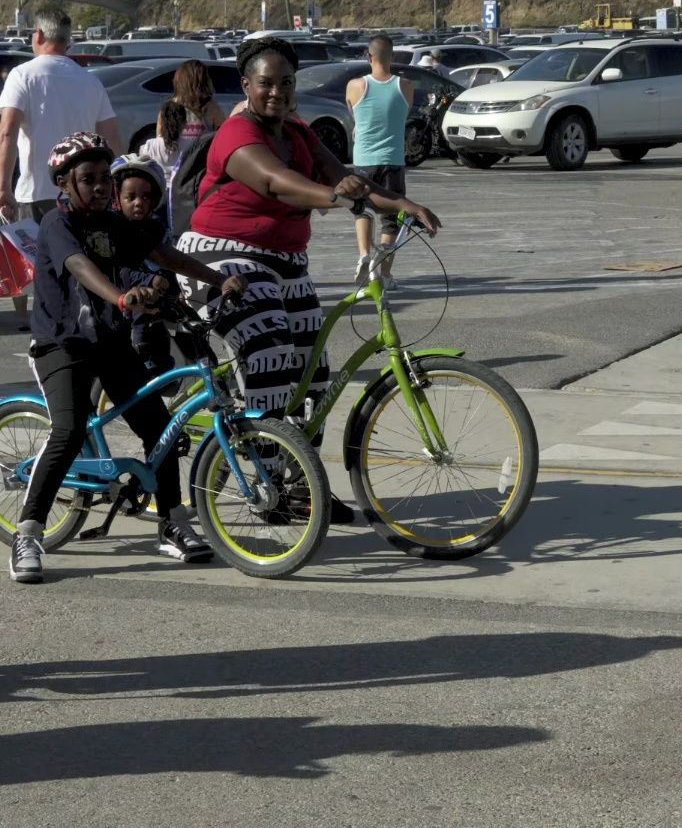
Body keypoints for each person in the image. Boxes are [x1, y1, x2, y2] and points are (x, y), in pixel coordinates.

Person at [175, 37, 438, 523]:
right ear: (247, 86)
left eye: (286, 83)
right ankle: (266, 482)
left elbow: (340, 172)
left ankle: (300, 486)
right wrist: (336, 196)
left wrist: (401, 205)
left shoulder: (295, 129)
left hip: (284, 259)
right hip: (221, 256)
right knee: (271, 355)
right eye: (266, 83)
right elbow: (276, 181)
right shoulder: (236, 134)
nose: (277, 92)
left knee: (313, 376)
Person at [10, 133, 248, 583]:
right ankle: (29, 530)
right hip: (63, 344)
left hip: (110, 343)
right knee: (70, 427)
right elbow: (82, 266)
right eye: (88, 179)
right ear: (64, 183)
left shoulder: (114, 224)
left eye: (105, 178)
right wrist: (121, 298)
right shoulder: (57, 226)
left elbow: (161, 254)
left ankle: (173, 522)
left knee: (161, 429)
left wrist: (216, 279)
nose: (101, 187)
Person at [0, 10, 122, 328]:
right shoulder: (90, 80)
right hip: (80, 193)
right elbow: (112, 139)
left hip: (35, 189)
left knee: (33, 258)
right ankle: (78, 315)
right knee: (79, 258)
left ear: (38, 36)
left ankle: (31, 318)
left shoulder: (22, 76)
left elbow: (8, 132)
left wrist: (3, 186)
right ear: (68, 41)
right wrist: (118, 185)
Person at [345, 34, 414, 288]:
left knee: (361, 210)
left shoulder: (355, 85)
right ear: (392, 57)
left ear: (369, 57)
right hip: (393, 161)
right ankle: (383, 273)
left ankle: (364, 255)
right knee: (391, 220)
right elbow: (404, 114)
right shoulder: (405, 86)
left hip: (364, 161)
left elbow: (353, 113)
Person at [110, 155, 175, 380]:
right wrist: (150, 280)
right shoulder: (111, 230)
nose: (139, 202)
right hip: (125, 311)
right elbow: (118, 270)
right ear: (117, 198)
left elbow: (172, 264)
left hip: (157, 310)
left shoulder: (155, 229)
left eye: (146, 197)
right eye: (131, 197)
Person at [140, 60, 226, 178]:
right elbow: (224, 140)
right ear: (203, 81)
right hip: (197, 174)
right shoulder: (210, 108)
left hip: (169, 177)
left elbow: (162, 143)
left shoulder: (167, 109)